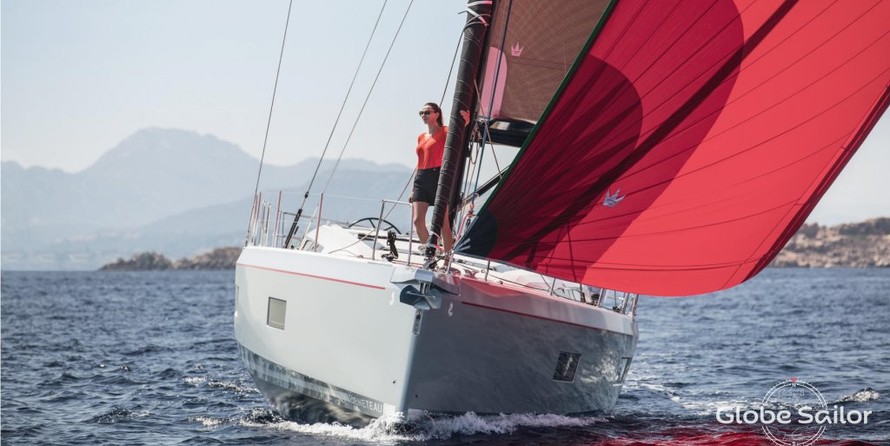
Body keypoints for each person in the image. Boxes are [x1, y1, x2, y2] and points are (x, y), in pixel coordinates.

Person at [411, 102, 454, 252]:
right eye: (421, 113)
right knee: (417, 221)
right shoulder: (421, 137)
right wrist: (413, 188)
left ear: (437, 114)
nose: (423, 115)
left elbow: (459, 132)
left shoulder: (445, 131)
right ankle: (432, 254)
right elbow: (419, 162)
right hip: (421, 178)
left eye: (427, 112)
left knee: (443, 223)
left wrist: (466, 121)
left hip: (437, 177)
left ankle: (447, 258)